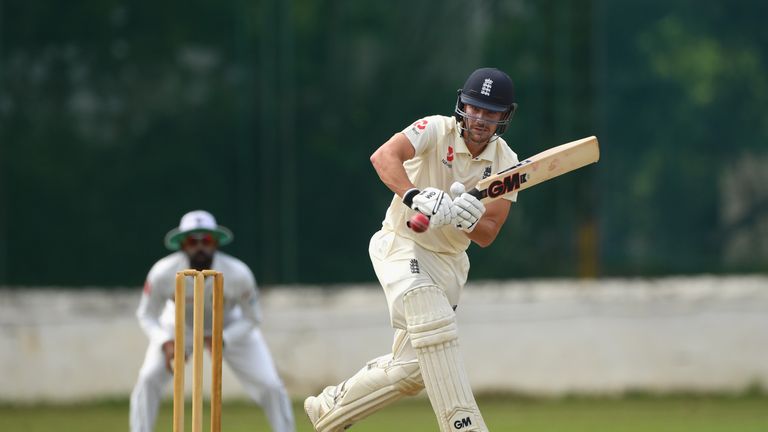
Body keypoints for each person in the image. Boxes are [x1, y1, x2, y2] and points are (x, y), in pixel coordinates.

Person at [304, 67, 520, 432]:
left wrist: (469, 221)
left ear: (504, 116)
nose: (479, 118)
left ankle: (330, 408)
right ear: (461, 104)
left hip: (448, 263)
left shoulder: (506, 164)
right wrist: (414, 195)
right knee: (429, 315)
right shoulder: (436, 129)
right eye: (473, 108)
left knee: (414, 369)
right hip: (402, 243)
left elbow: (489, 233)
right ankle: (464, 426)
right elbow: (383, 157)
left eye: (489, 111)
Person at [130, 210, 295, 432]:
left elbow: (253, 317)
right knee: (148, 379)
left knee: (271, 386)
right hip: (178, 326)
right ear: (182, 244)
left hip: (229, 326)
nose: (200, 246)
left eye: (206, 239)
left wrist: (223, 338)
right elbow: (146, 314)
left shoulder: (238, 273)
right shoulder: (162, 273)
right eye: (192, 240)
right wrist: (164, 341)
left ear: (216, 242)